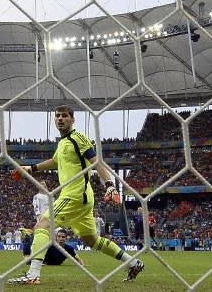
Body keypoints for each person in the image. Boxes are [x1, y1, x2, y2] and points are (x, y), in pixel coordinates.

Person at [8, 105, 144, 285]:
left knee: (42, 225)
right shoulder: (63, 142)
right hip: (83, 197)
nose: (60, 119)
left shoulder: (78, 138)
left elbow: (97, 162)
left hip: (75, 194)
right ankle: (133, 262)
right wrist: (31, 168)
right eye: (57, 116)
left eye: (64, 116)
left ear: (72, 120)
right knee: (92, 240)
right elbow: (55, 161)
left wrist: (109, 185)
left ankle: (33, 274)